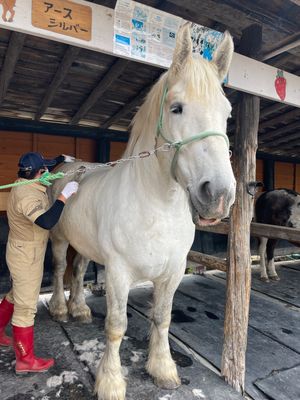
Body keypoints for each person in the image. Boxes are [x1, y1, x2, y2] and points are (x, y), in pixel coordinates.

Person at [0, 151, 79, 374]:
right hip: (27, 255)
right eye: (44, 170)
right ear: (37, 173)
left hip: (22, 249)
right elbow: (46, 221)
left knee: (17, 294)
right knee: (25, 307)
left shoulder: (26, 180)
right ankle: (25, 361)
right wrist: (64, 196)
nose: (47, 171)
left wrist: (62, 159)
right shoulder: (27, 196)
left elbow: (48, 164)